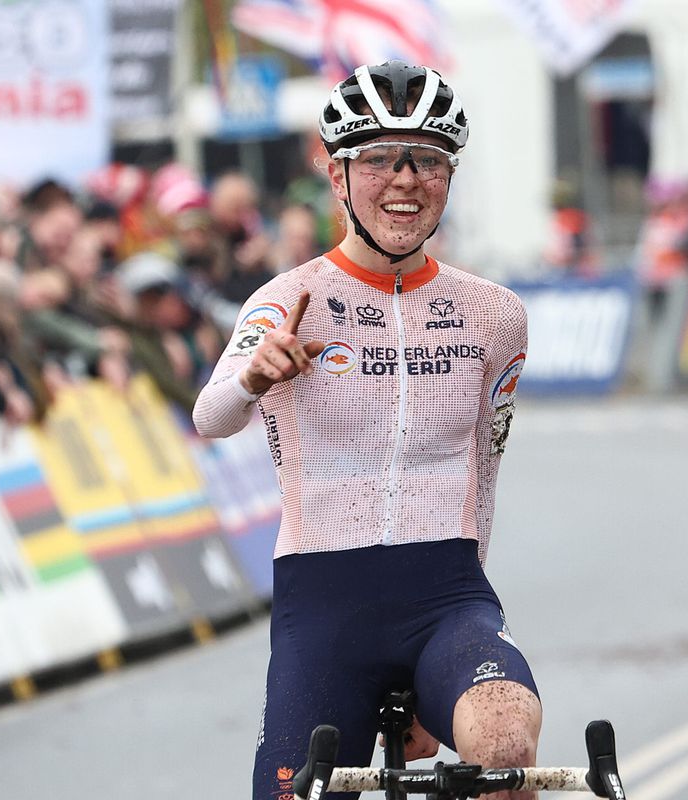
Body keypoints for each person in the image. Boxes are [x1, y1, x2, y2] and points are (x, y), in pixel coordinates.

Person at [192, 61, 540, 799]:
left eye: (430, 161)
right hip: (324, 603)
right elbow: (210, 416)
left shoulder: (495, 315)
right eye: (381, 158)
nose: (406, 180)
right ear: (338, 174)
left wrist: (473, 588)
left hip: (448, 595)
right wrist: (255, 377)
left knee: (507, 740)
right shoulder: (290, 299)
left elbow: (486, 471)